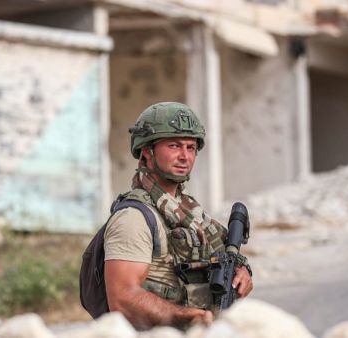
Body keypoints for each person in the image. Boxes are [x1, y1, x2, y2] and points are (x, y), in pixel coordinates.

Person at [103, 102, 253, 329]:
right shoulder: (134, 217)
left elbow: (220, 255)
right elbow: (122, 298)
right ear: (147, 152)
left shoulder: (189, 211)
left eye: (191, 147)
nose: (185, 156)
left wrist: (241, 274)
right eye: (174, 146)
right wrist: (183, 316)